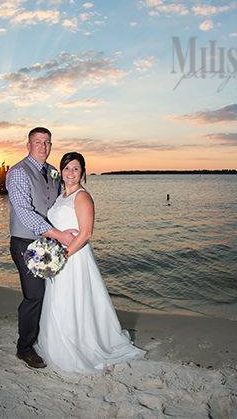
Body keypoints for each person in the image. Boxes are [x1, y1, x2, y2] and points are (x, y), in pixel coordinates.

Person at [34, 152, 145, 374]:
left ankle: (78, 345)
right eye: (67, 168)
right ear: (61, 171)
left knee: (72, 300)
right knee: (57, 300)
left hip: (74, 258)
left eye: (76, 169)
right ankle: (56, 344)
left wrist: (62, 257)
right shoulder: (61, 195)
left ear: (83, 173)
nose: (71, 173)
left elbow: (85, 234)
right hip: (60, 253)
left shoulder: (82, 197)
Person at [6, 127, 77, 369]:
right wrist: (58, 234)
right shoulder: (18, 173)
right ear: (28, 145)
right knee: (34, 295)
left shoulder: (54, 172)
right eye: (38, 142)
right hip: (25, 243)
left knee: (51, 293)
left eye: (47, 142)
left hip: (49, 242)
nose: (43, 146)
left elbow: (62, 201)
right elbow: (25, 213)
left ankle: (45, 338)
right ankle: (24, 348)